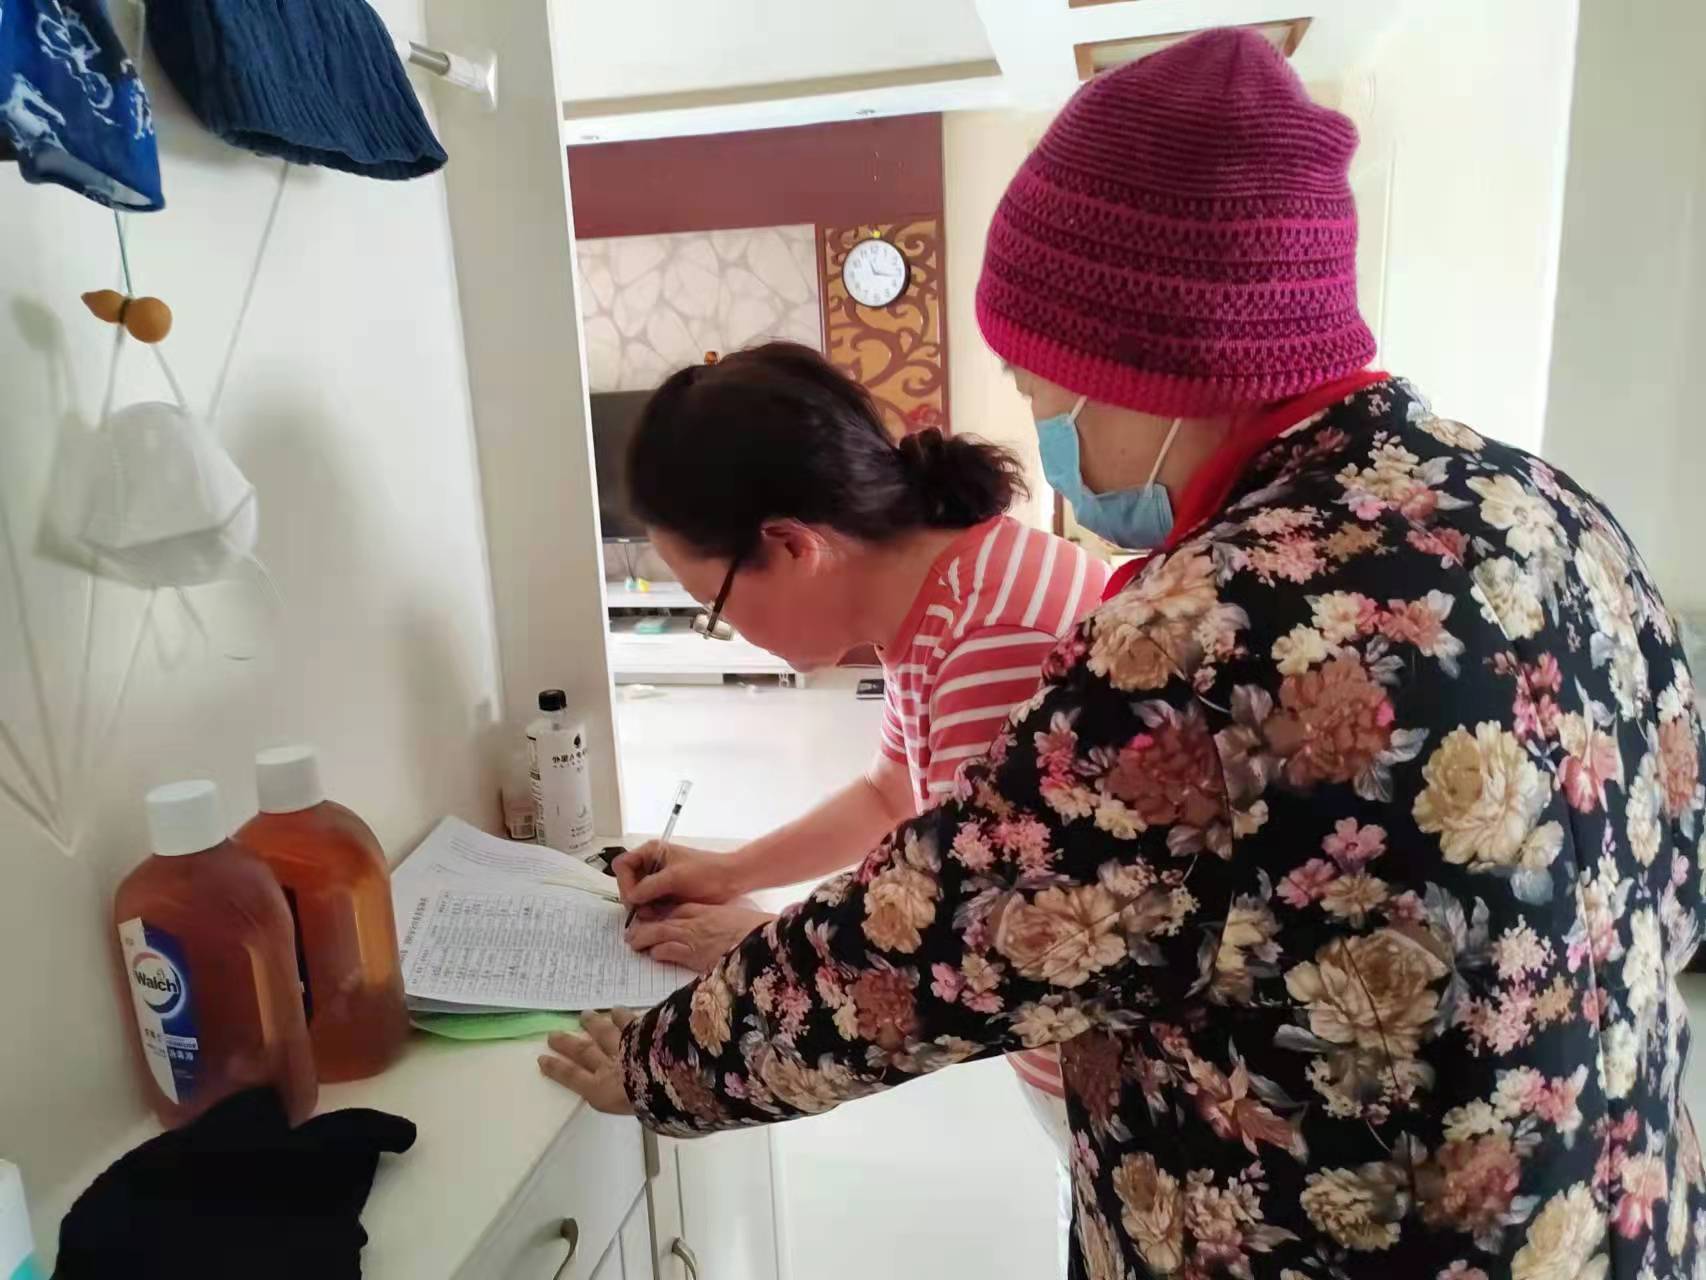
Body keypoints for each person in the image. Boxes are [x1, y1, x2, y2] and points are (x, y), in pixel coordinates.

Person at [542, 28, 1706, 1279]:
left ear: (1145, 368)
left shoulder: (1201, 632)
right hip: (1609, 1208)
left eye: (1045, 398)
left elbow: (928, 953)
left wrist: (655, 1065)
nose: (1050, 440)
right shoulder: (1543, 507)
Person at [608, 340, 1107, 1251]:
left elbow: (978, 959)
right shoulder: (945, 594)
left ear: (792, 545)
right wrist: (728, 873)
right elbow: (890, 792)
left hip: (1114, 1085)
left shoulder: (993, 641)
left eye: (714, 604)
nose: (730, 634)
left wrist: (757, 946)